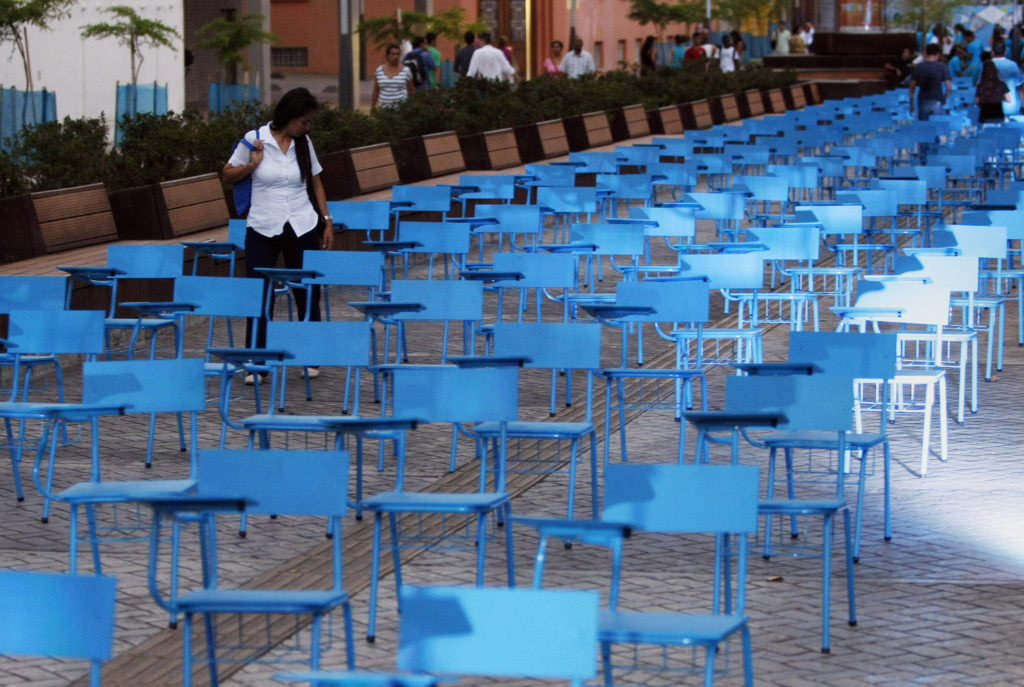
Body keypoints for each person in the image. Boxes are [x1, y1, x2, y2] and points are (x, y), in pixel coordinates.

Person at [223, 87, 332, 382]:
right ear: (289, 117)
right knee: (259, 293)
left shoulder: (303, 143)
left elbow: (317, 183)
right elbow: (227, 173)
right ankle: (256, 360)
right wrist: (252, 164)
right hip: (263, 225)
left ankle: (310, 356)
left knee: (306, 291)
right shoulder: (254, 139)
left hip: (301, 222)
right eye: (304, 121)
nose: (307, 127)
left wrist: (327, 220)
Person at [908, 43, 952, 121]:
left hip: (923, 100)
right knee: (937, 127)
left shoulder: (918, 67)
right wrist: (944, 98)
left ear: (926, 53)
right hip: (937, 100)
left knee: (925, 128)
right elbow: (949, 88)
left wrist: (911, 103)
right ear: (938, 54)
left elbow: (912, 87)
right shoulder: (942, 67)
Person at [371, 44, 414, 108]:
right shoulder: (379, 71)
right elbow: (376, 91)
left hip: (401, 109)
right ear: (387, 56)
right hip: (384, 109)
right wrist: (373, 107)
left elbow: (412, 90)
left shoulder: (406, 71)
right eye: (393, 54)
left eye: (398, 54)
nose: (396, 56)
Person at [991, 40, 1024, 116]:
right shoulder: (1012, 65)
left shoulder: (987, 65)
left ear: (992, 52)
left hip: (992, 108)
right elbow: (1020, 87)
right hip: (1011, 107)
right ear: (1005, 52)